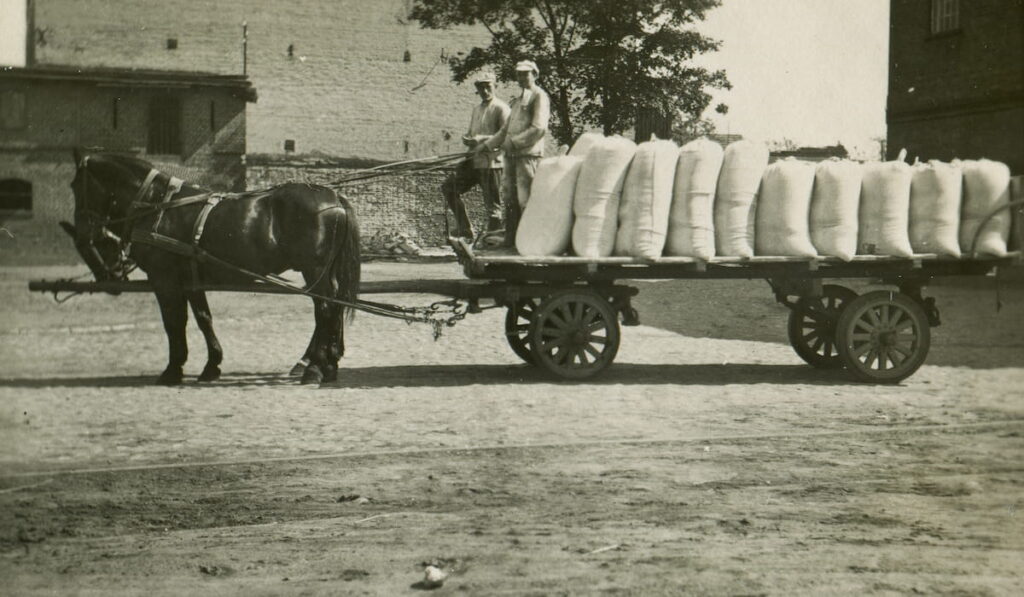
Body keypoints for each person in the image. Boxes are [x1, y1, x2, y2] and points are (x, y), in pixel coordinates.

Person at [474, 59, 550, 248]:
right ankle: (512, 240)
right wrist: (487, 145)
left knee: (526, 200)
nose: (522, 77)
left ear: (535, 74)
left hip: (528, 156)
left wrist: (514, 143)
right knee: (509, 199)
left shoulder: (539, 96)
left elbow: (539, 128)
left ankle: (530, 243)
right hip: (511, 157)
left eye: (526, 73)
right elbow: (504, 130)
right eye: (519, 74)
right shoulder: (517, 101)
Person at [441, 71, 510, 241]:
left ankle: (492, 243)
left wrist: (481, 139)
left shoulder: (502, 108)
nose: (485, 91)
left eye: (488, 87)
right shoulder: (476, 109)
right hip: (473, 161)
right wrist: (468, 140)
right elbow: (472, 133)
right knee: (449, 188)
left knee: (493, 208)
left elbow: (508, 136)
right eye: (481, 88)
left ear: (495, 87)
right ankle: (465, 229)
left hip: (492, 163)